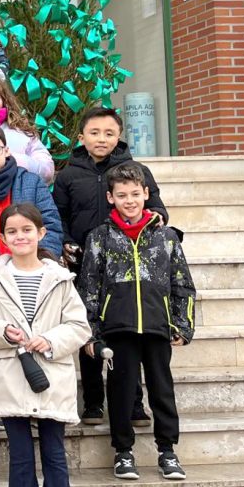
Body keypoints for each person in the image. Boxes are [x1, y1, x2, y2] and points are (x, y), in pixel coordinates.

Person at [0, 202, 91, 487]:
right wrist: (3, 332)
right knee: (21, 457)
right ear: (3, 237)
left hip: (51, 376)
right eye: (12, 231)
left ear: (41, 234)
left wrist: (51, 339)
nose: (20, 237)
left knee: (55, 456)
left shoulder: (61, 278)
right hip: (11, 373)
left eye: (27, 230)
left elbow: (79, 326)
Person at [78, 163, 195, 483]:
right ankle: (123, 452)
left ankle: (167, 450)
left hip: (158, 326)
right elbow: (88, 286)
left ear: (146, 194)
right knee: (121, 389)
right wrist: (91, 332)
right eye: (121, 195)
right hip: (119, 328)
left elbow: (182, 284)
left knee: (162, 389)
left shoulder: (167, 237)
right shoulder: (100, 237)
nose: (129, 200)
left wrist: (183, 326)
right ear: (110, 197)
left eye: (134, 194)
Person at [54, 106, 168, 426]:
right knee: (88, 329)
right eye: (94, 133)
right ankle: (93, 401)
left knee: (126, 333)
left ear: (119, 136)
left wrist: (158, 219)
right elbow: (58, 216)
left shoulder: (136, 170)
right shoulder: (68, 174)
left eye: (108, 133)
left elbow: (157, 206)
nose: (101, 139)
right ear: (82, 137)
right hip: (84, 264)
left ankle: (133, 401)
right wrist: (63, 241)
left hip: (127, 265)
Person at [0, 124, 63, 259]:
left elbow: (51, 224)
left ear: (7, 151)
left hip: (34, 265)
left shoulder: (32, 182)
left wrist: (43, 258)